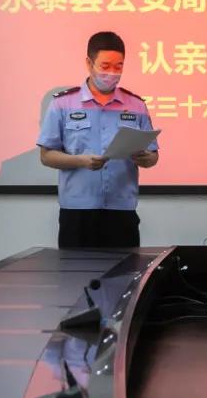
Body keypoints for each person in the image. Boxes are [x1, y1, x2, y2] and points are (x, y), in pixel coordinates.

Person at [37, 31, 159, 248]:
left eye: (118, 66)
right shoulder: (63, 103)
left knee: (125, 269)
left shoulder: (137, 105)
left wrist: (146, 158)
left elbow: (153, 157)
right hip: (77, 212)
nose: (112, 73)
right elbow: (46, 156)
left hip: (122, 210)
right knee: (74, 270)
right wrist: (80, 161)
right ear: (89, 63)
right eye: (105, 66)